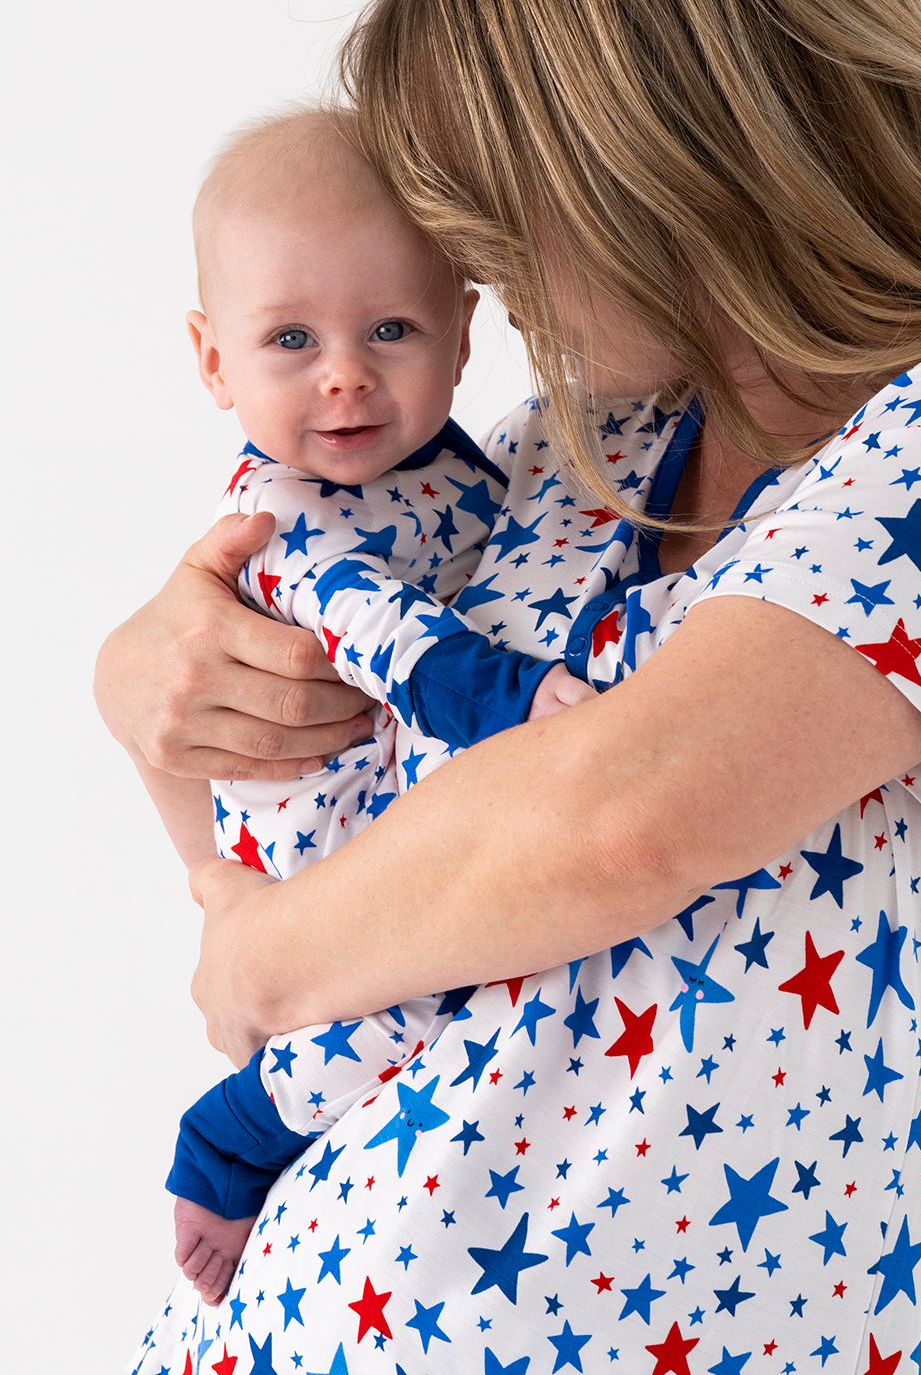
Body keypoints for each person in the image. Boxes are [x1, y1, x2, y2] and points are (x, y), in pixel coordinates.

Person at [97, 0, 921, 1374]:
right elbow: (298, 666)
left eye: (492, 205)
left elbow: (610, 824)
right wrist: (140, 680)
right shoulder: (580, 448)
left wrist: (262, 957)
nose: (471, 263)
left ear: (649, 157)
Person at [155, 106, 639, 1306]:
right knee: (400, 994)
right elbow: (390, 634)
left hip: (404, 795)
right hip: (314, 831)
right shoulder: (276, 514)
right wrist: (517, 701)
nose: (345, 373)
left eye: (390, 329)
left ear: (462, 334)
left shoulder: (471, 465)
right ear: (212, 361)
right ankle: (232, 1132)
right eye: (290, 338)